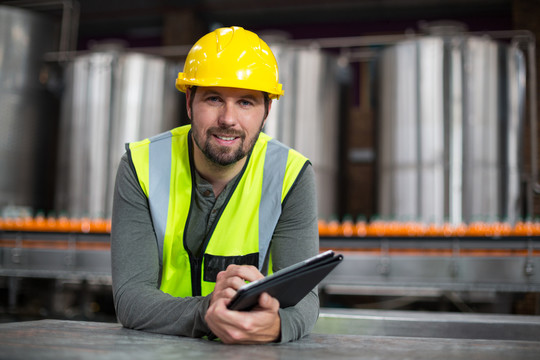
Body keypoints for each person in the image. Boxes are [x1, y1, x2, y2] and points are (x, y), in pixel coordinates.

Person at [110, 26, 319, 344]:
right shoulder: (141, 165)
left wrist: (277, 326)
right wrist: (209, 311)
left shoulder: (291, 175)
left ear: (267, 111)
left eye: (246, 102)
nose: (228, 119)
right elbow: (131, 300)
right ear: (190, 102)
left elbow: (305, 302)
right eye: (213, 98)